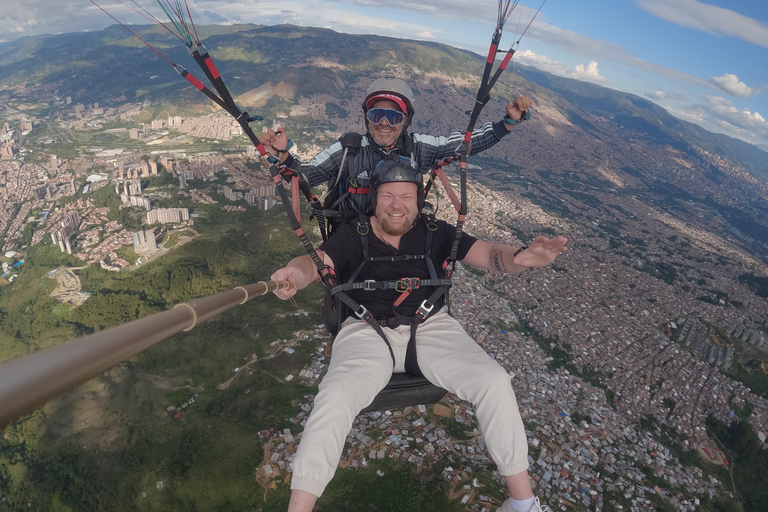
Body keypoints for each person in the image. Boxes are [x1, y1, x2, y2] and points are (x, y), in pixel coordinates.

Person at [271, 156, 566, 512]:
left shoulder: (436, 232)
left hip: (429, 325)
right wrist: (293, 274)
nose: (397, 205)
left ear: (418, 200)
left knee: (495, 381)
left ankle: (522, 503)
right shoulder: (354, 234)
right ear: (374, 199)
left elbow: (488, 254)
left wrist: (517, 259)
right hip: (367, 328)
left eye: (406, 197)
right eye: (388, 196)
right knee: (334, 399)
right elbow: (316, 264)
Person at [261, 77, 533, 226]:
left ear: (406, 121)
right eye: (377, 114)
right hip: (351, 237)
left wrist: (506, 123)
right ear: (367, 117)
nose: (384, 124)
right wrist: (282, 156)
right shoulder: (348, 150)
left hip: (399, 237)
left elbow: (462, 145)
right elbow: (305, 176)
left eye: (394, 117)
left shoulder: (418, 148)